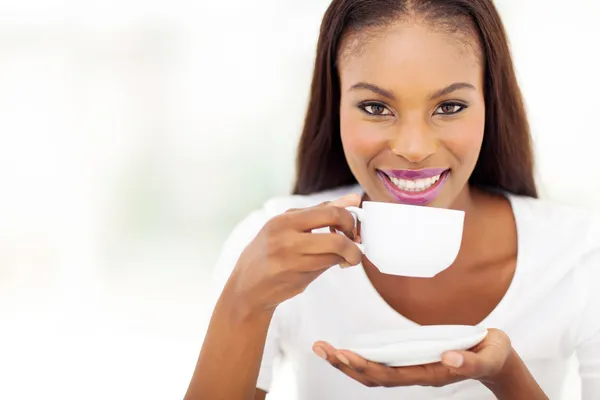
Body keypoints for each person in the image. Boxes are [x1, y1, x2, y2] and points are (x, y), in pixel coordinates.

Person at [184, 0, 600, 399]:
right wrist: (243, 304)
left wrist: (508, 377)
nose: (414, 148)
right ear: (337, 106)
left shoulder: (578, 256)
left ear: (490, 105)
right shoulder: (272, 249)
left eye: (450, 106)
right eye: (375, 107)